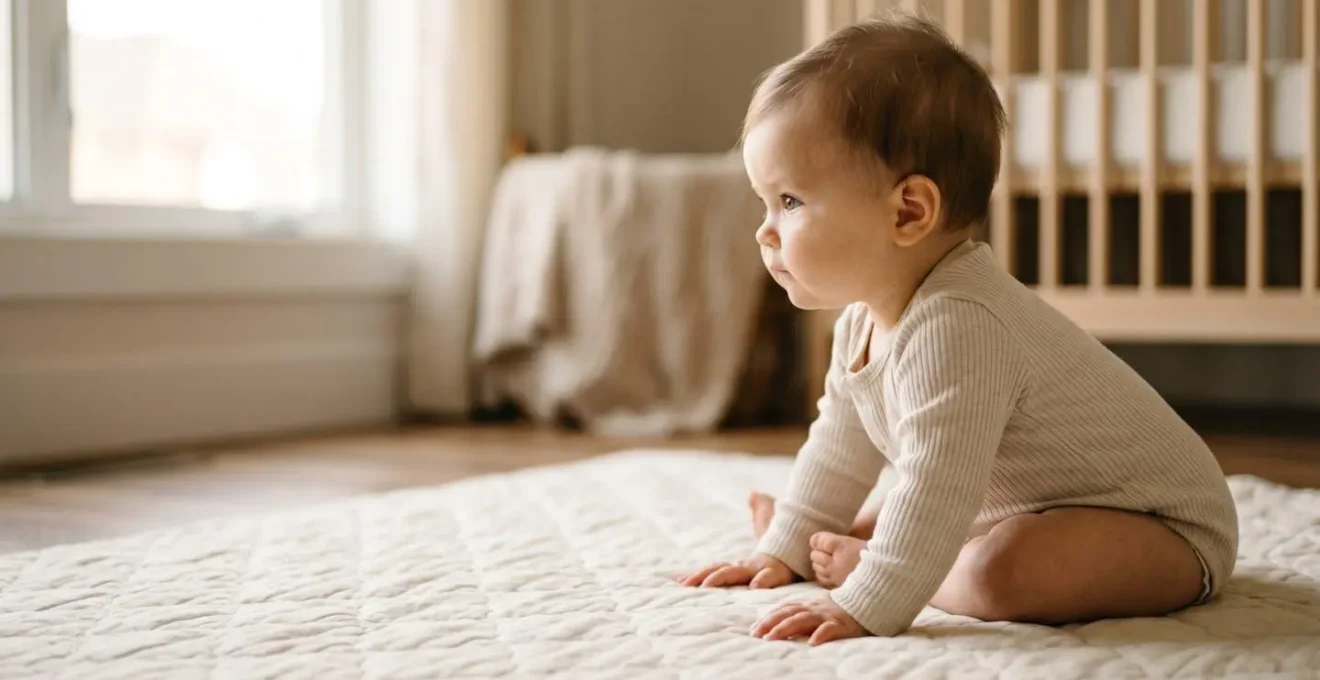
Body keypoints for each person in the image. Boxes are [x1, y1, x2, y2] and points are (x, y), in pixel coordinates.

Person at [680, 11, 1238, 646]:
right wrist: (785, 548)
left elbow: (937, 485)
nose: (765, 230)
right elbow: (842, 443)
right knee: (913, 505)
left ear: (909, 211)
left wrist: (867, 597)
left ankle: (874, 557)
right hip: (1026, 504)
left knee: (1002, 568)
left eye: (791, 202)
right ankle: (846, 537)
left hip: (1161, 529)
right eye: (764, 202)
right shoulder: (863, 320)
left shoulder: (960, 325)